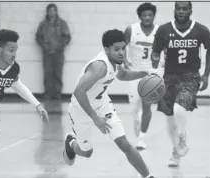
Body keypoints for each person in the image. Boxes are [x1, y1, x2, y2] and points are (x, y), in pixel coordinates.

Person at [0, 3, 49, 178]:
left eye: (16, 50)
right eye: (11, 50)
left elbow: (18, 85)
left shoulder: (13, 68)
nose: (14, 53)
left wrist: (37, 105)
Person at [63, 29, 154, 178]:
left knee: (124, 144)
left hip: (102, 104)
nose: (121, 53)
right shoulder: (100, 67)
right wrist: (95, 118)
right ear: (106, 50)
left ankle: (148, 176)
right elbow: (79, 92)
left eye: (123, 48)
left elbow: (123, 75)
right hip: (81, 108)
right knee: (86, 152)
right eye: (116, 49)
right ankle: (71, 142)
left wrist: (143, 73)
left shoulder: (116, 61)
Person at [151, 1, 210, 167]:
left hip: (190, 77)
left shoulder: (201, 30)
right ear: (174, 10)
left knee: (179, 110)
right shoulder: (164, 30)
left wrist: (206, 74)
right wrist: (155, 63)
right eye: (178, 8)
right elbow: (155, 51)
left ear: (190, 11)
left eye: (184, 8)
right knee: (169, 119)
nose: (181, 11)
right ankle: (175, 151)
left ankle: (182, 137)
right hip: (169, 78)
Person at [124, 2, 163, 150]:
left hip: (153, 73)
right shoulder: (131, 30)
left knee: (147, 106)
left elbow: (165, 50)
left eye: (150, 15)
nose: (147, 17)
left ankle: (141, 138)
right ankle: (138, 122)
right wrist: (124, 61)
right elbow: (122, 46)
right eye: (145, 15)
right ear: (140, 16)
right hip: (134, 72)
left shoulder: (160, 31)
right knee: (135, 110)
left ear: (153, 16)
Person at [36, 3, 71, 100]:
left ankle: (57, 94)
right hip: (47, 54)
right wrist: (44, 47)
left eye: (53, 10)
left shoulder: (62, 24)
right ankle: (48, 94)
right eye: (50, 10)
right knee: (48, 74)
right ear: (47, 12)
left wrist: (60, 46)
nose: (51, 12)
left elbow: (67, 37)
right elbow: (38, 37)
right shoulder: (43, 25)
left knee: (58, 74)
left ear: (56, 12)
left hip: (58, 54)